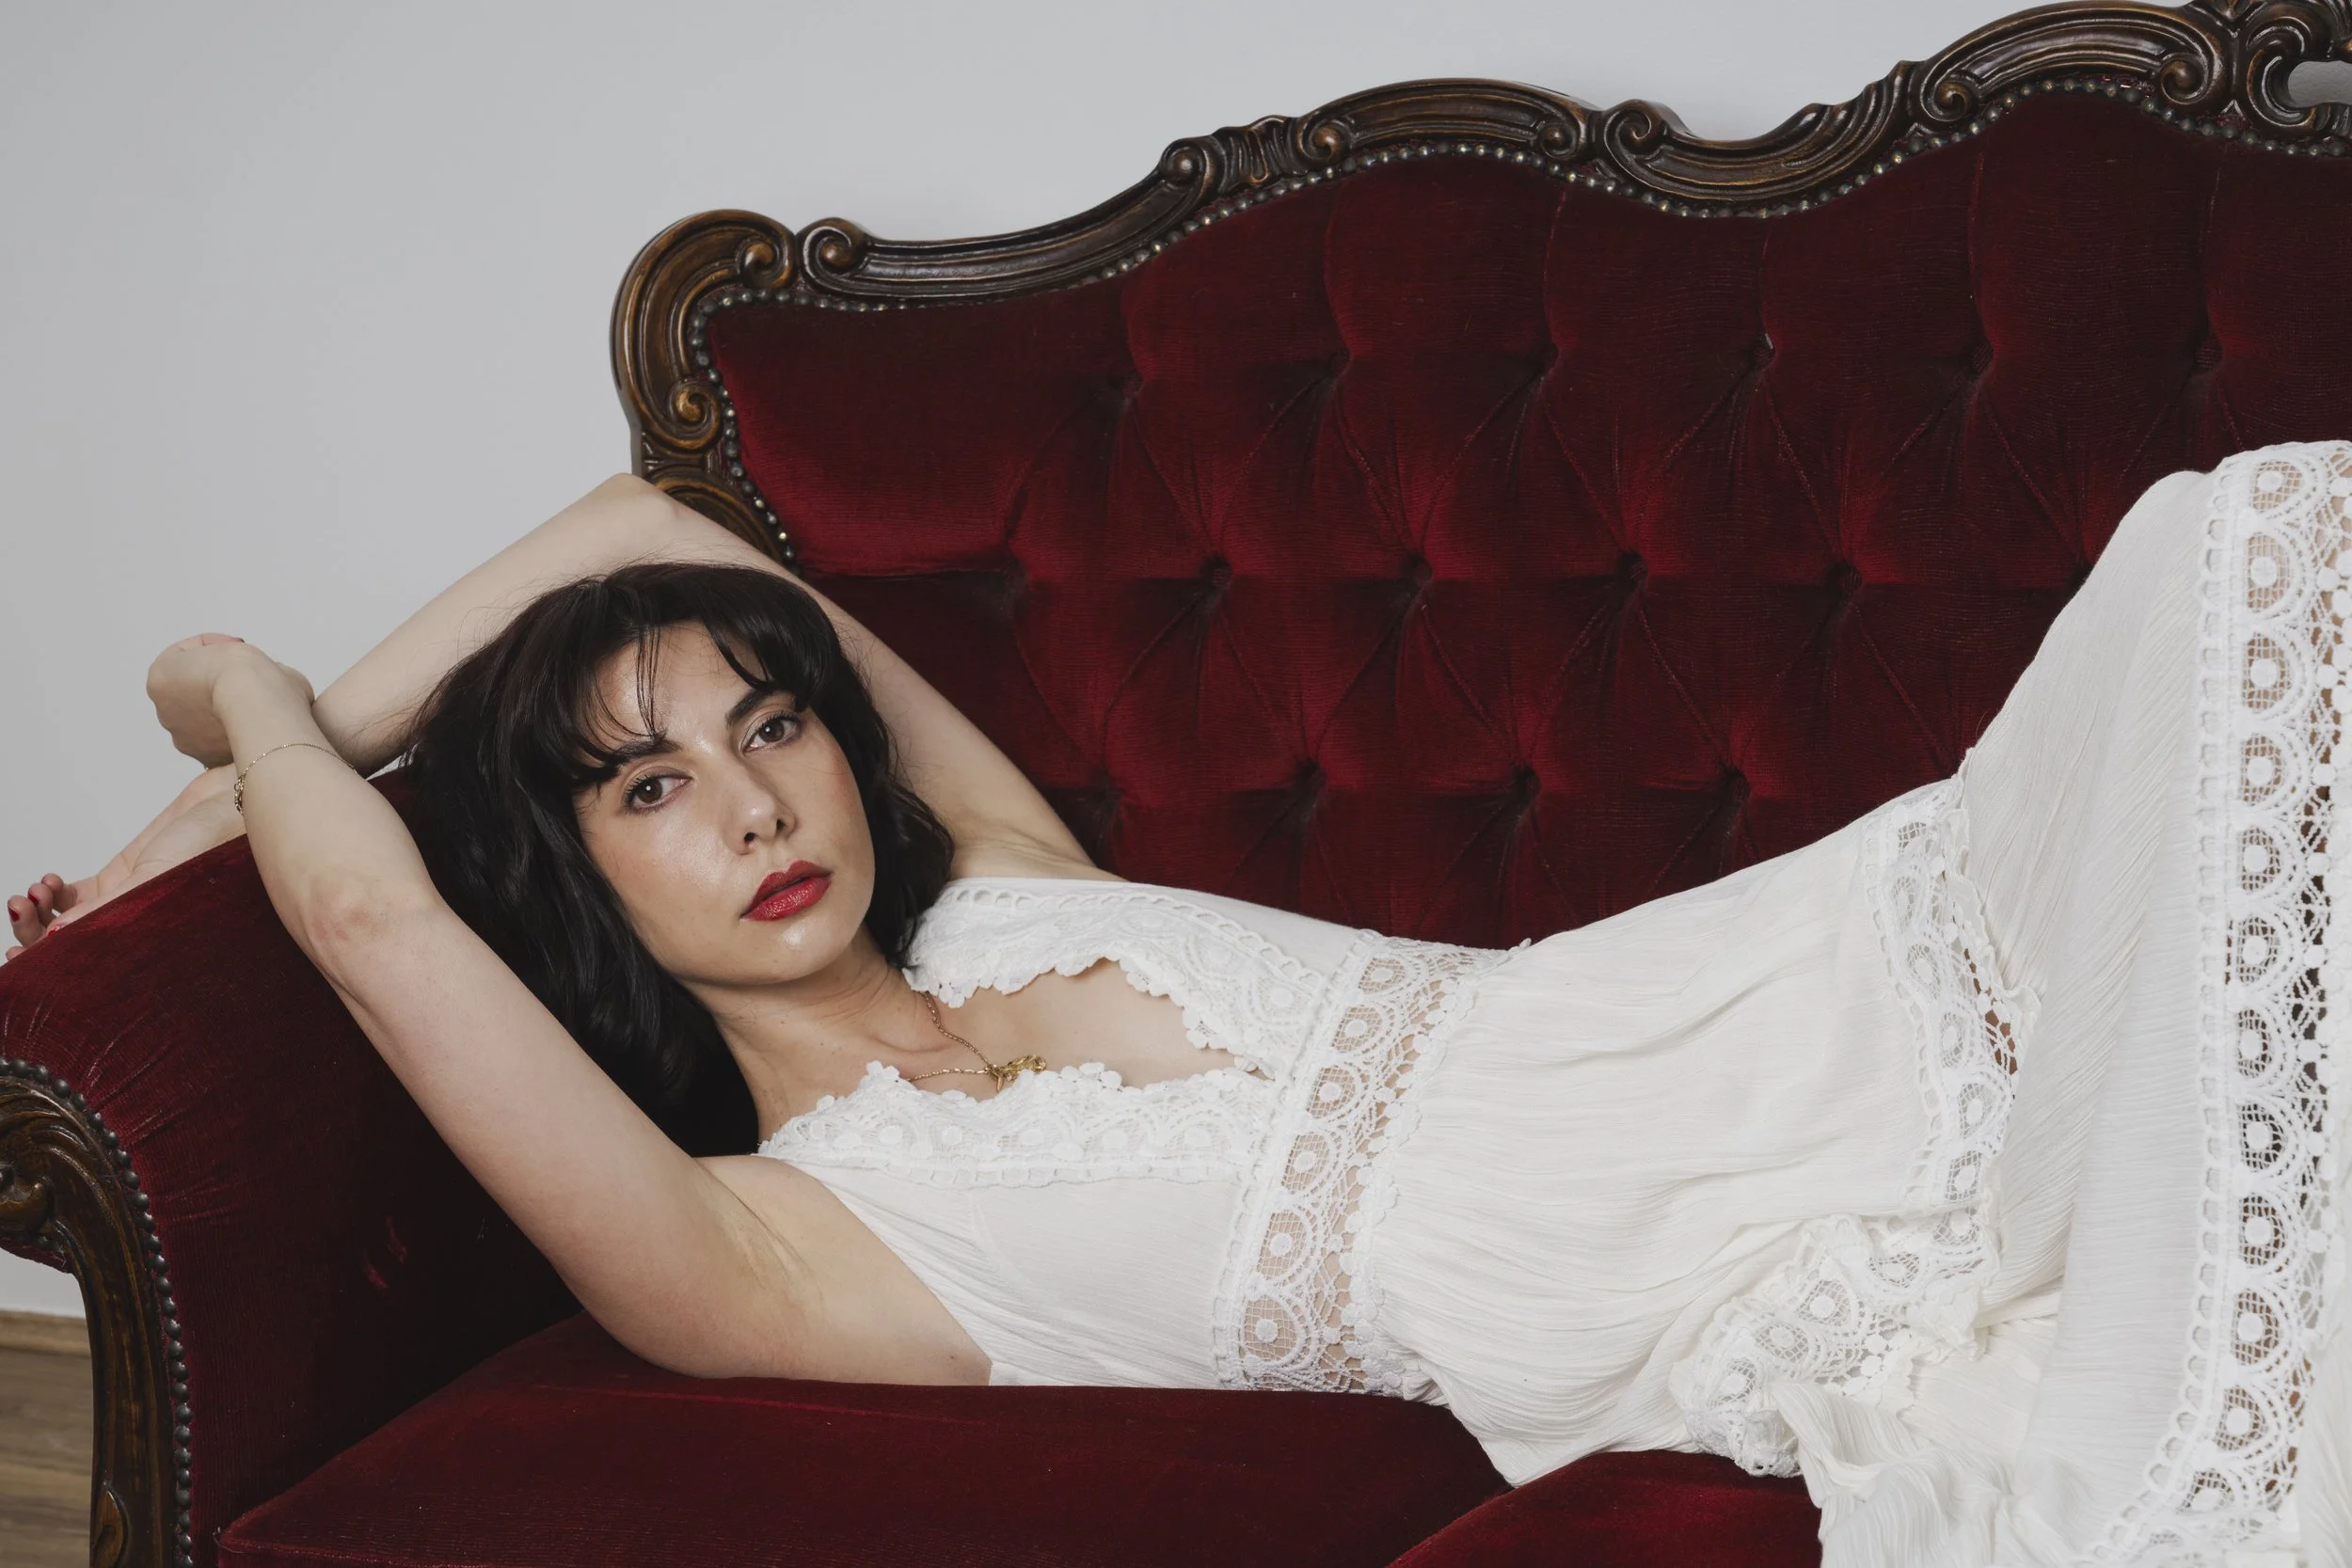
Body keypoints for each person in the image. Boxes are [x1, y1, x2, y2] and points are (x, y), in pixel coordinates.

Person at [8, 448, 2347, 1568]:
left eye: (767, 728)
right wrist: (231, 708)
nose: (750, 801)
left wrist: (253, 726)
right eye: (644, 780)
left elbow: (665, 521)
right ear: (563, 871)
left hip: (1809, 979)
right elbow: (378, 930)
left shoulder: (1007, 886)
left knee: (2237, 544)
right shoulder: (756, 1249)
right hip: (1707, 1262)